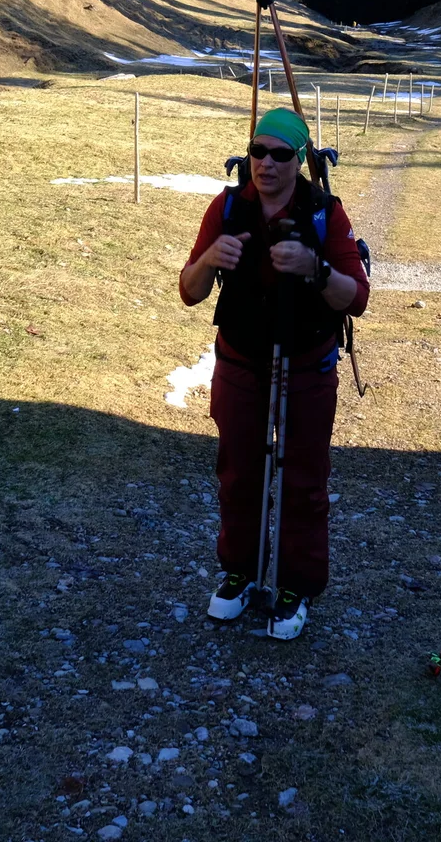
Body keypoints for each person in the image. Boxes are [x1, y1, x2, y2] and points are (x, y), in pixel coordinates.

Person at [179, 107, 370, 640]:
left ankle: (295, 586)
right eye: (257, 151)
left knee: (303, 478)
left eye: (281, 153)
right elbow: (189, 291)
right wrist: (210, 258)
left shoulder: (324, 213)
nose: (266, 163)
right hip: (240, 358)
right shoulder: (228, 207)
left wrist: (315, 268)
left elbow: (357, 298)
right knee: (239, 473)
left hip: (308, 361)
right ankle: (239, 573)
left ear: (300, 160)